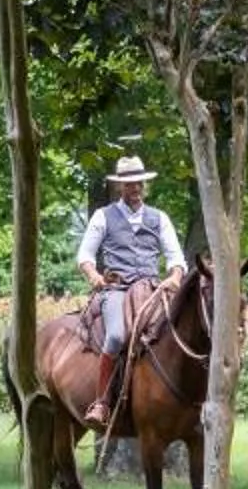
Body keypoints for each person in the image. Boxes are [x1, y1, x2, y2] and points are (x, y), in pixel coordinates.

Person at [75, 153, 186, 427]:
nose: (134, 188)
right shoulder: (103, 216)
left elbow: (176, 259)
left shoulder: (159, 218)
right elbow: (85, 256)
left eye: (138, 183)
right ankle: (101, 403)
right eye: (128, 184)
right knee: (115, 336)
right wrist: (95, 277)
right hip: (117, 289)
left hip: (152, 289)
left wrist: (174, 277)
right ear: (119, 187)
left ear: (144, 185)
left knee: (176, 334)